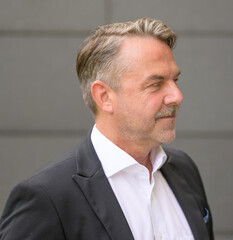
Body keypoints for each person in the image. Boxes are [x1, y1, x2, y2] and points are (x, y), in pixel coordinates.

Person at [0, 18, 213, 240]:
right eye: (155, 84)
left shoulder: (184, 170)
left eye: (175, 80)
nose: (177, 96)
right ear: (104, 97)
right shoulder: (46, 199)